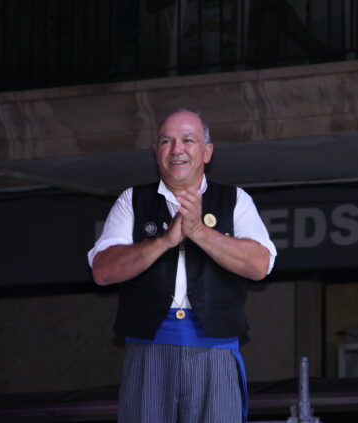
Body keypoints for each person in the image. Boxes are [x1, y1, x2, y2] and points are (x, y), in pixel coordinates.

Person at [87, 109, 277, 423]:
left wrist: (199, 232)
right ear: (156, 152)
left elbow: (259, 265)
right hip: (149, 351)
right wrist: (164, 240)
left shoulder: (235, 200)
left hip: (215, 352)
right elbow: (103, 271)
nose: (177, 149)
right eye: (166, 141)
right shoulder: (132, 200)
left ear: (207, 151)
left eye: (187, 140)